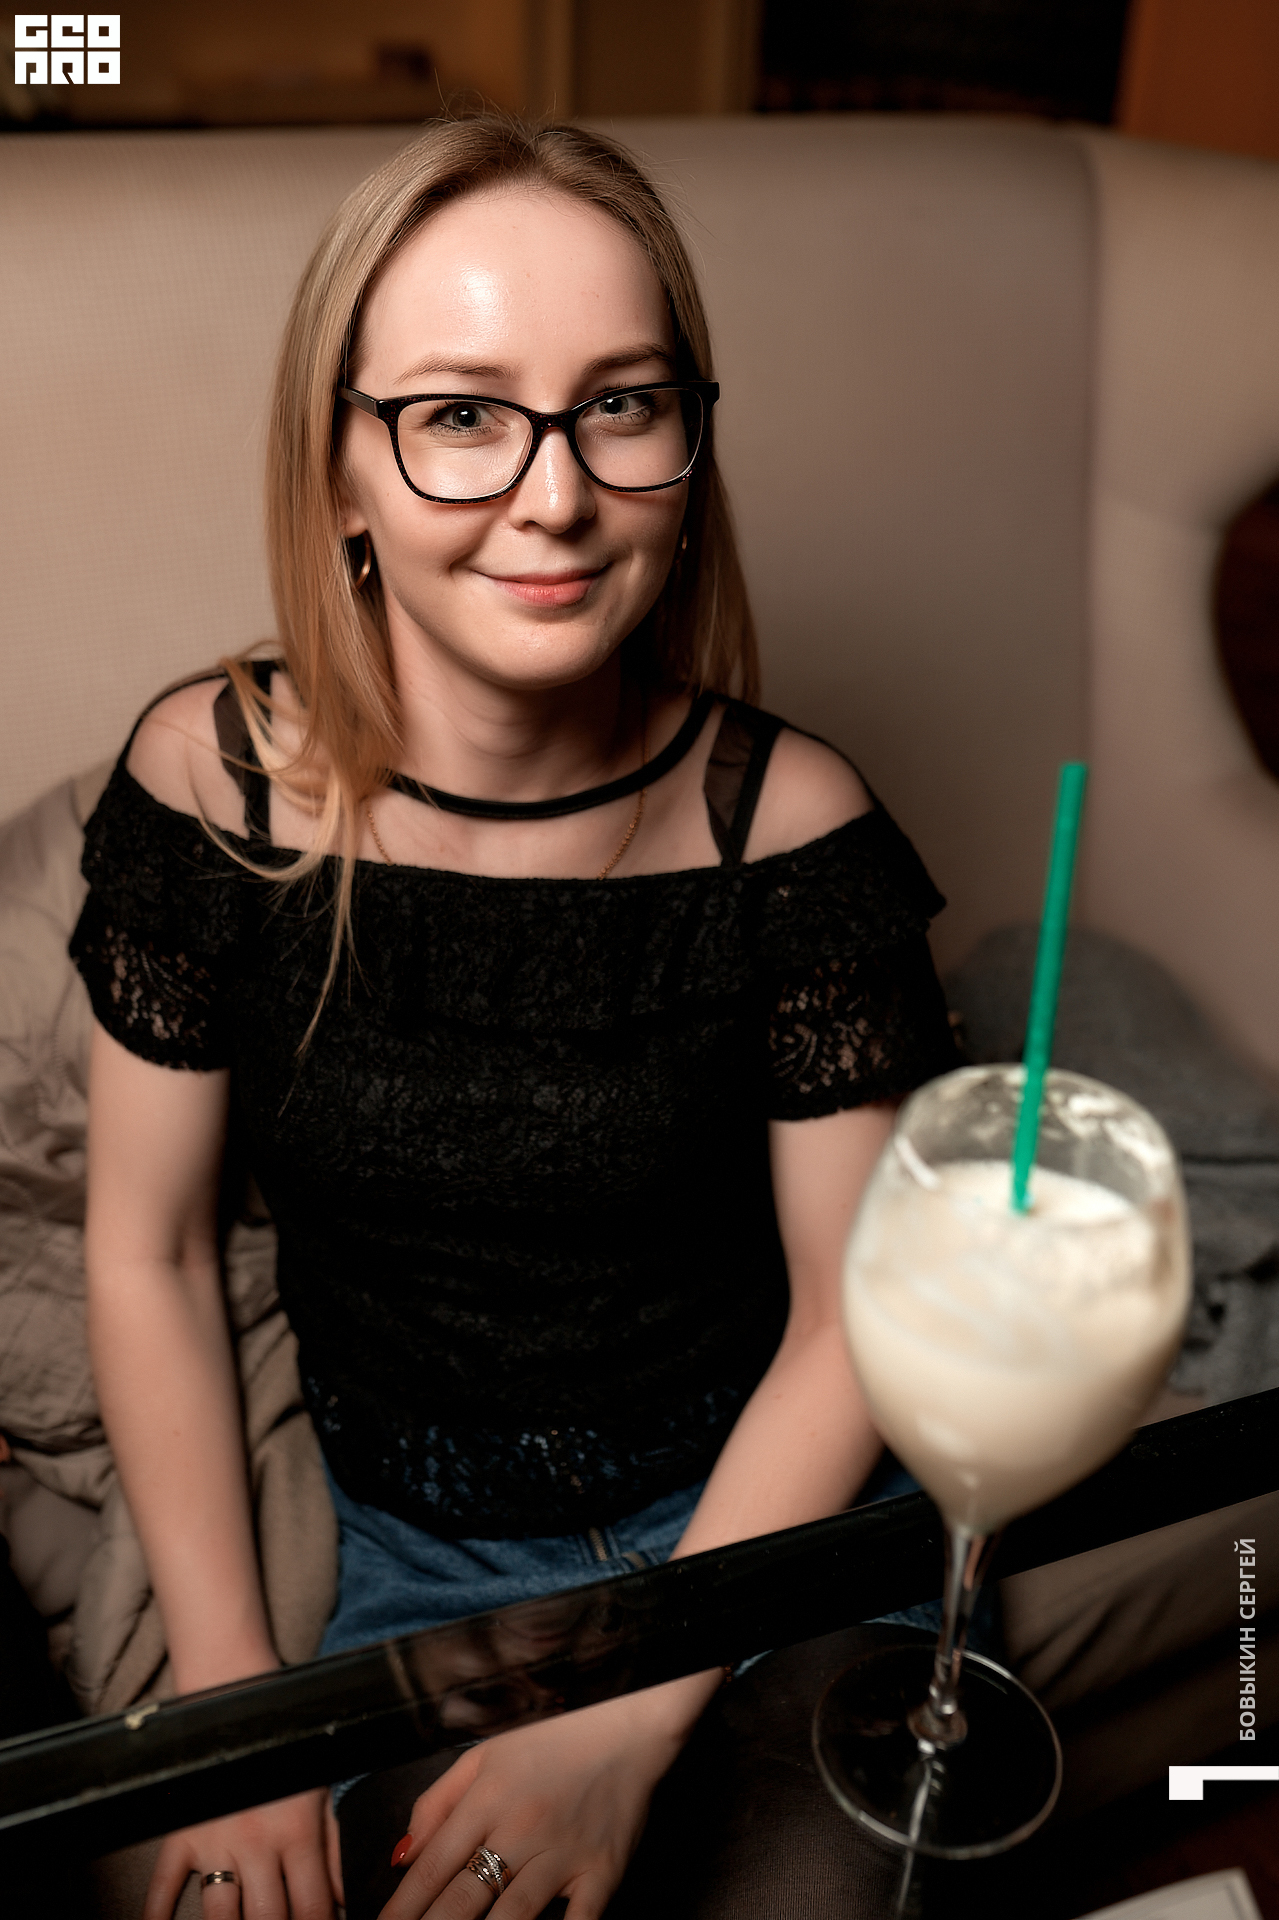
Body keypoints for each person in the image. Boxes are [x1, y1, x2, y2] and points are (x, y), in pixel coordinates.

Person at [72, 117, 958, 1920]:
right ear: (341, 469)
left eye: (620, 405)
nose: (554, 495)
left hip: (762, 1537)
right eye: (463, 414)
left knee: (827, 1889)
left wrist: (632, 1710)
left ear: (688, 452)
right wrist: (233, 1702)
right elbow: (145, 1251)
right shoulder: (208, 786)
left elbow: (851, 1323)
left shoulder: (794, 831)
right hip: (417, 1565)